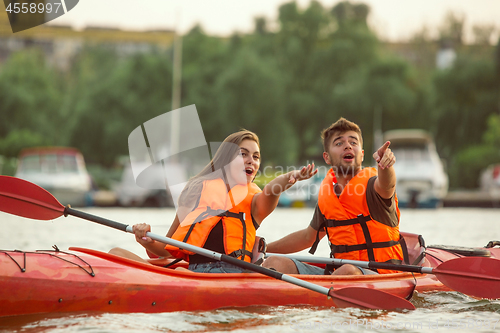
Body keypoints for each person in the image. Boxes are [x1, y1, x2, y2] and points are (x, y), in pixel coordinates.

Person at [110, 130, 317, 273]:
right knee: (115, 253)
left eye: (256, 157)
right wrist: (145, 238)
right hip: (194, 272)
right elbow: (168, 247)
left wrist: (291, 177)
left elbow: (272, 190)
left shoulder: (255, 201)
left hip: (230, 274)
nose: (251, 160)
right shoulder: (196, 190)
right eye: (243, 154)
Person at [262, 117, 406, 275]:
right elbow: (306, 237)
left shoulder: (374, 185)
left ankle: (317, 296)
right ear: (327, 157)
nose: (347, 146)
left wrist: (385, 166)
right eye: (339, 143)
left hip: (379, 275)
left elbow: (387, 185)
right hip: (338, 275)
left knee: (347, 271)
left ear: (362, 154)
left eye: (353, 142)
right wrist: (264, 248)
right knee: (273, 262)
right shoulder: (328, 196)